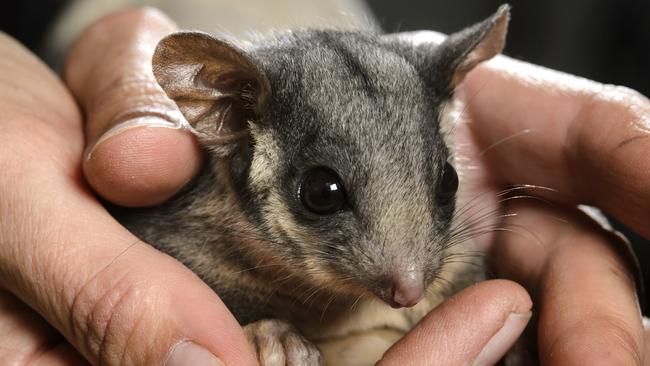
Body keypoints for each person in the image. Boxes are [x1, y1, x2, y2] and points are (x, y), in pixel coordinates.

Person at [1, 7, 648, 365]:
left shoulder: (439, 255)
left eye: (441, 188)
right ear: (225, 107)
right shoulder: (187, 231)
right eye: (325, 196)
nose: (410, 283)